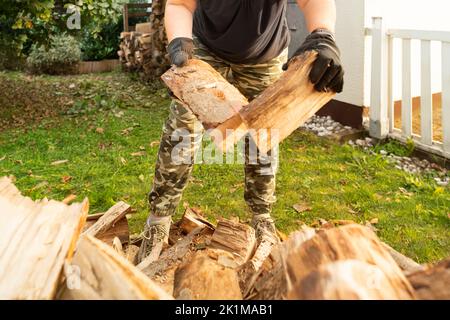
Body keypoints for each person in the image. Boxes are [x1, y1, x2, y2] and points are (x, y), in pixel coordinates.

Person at [138, 0, 344, 262]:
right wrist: (179, 41)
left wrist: (323, 35)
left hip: (266, 53)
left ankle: (261, 216)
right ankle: (158, 219)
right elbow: (180, 4)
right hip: (205, 49)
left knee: (264, 133)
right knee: (183, 128)